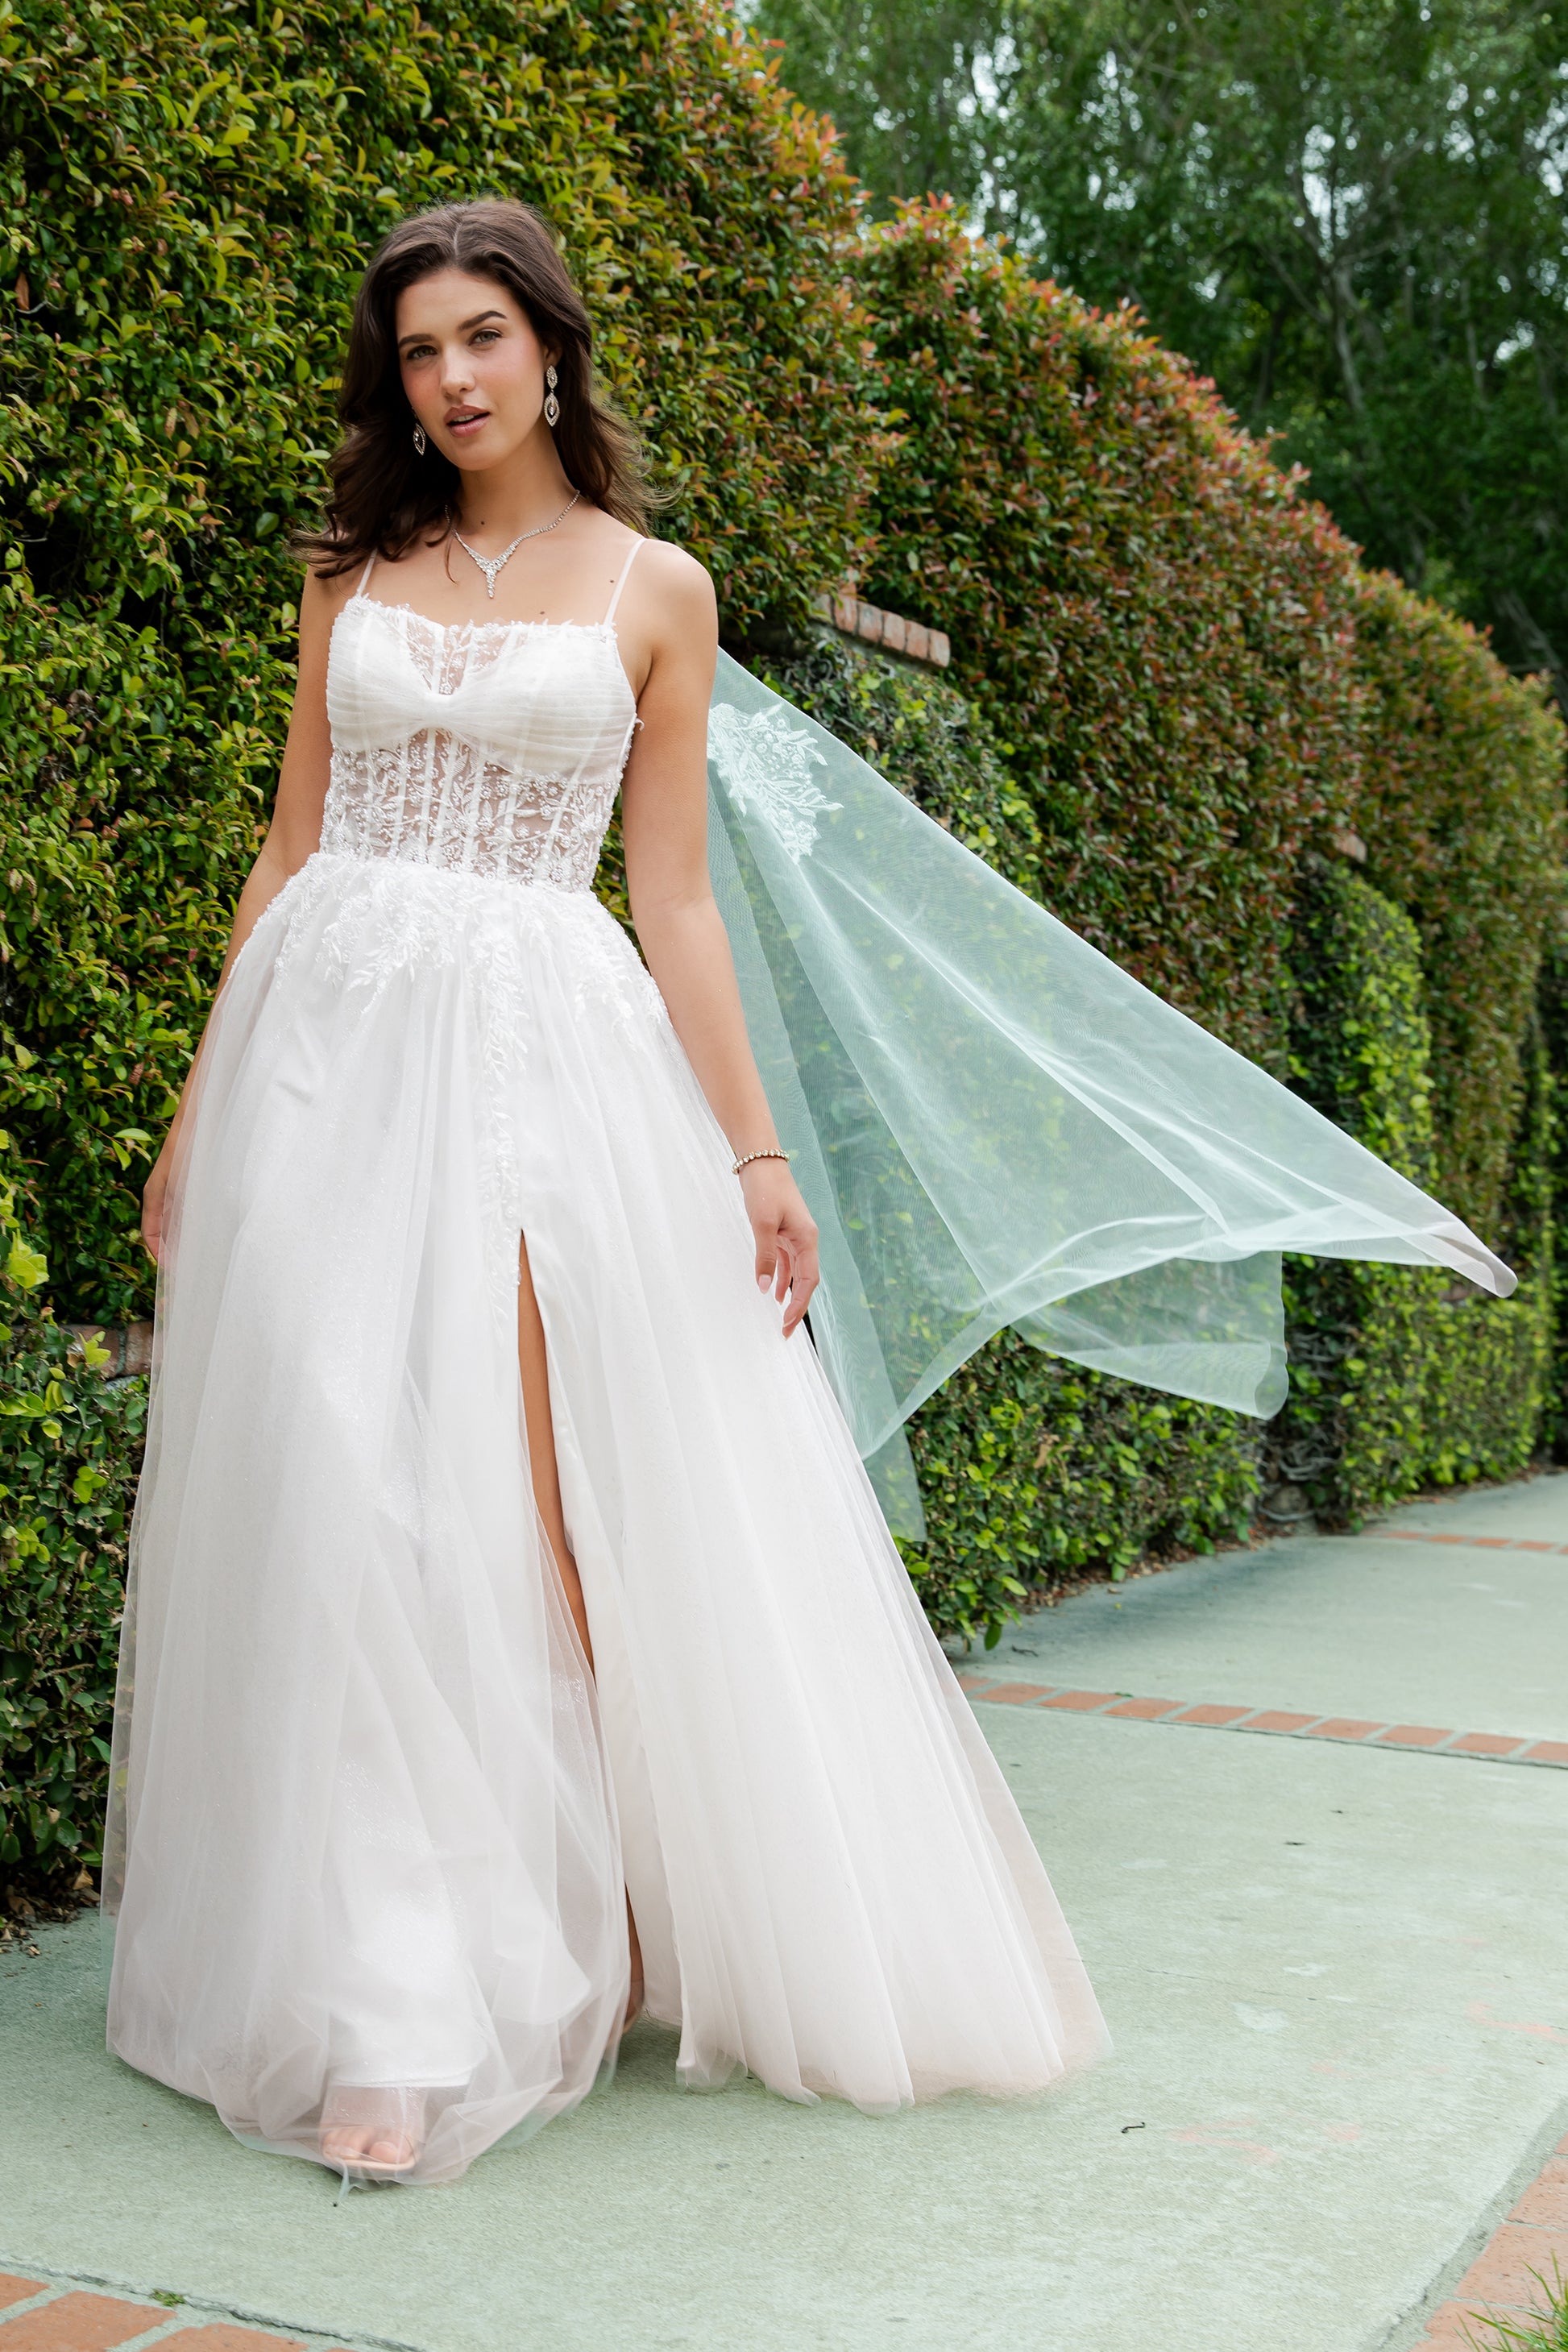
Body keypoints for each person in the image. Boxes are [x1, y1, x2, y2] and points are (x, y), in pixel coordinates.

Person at [104, 201, 1114, 2187]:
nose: (450, 379)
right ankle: (390, 1997)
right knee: (336, 1476)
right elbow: (291, 842)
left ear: (551, 349)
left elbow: (674, 897)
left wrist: (754, 1152)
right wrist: (201, 1104)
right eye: (417, 351)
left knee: (507, 1504)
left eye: (480, 337)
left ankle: (590, 1911)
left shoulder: (658, 589)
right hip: (323, 1056)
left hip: (532, 1068)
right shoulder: (350, 569)